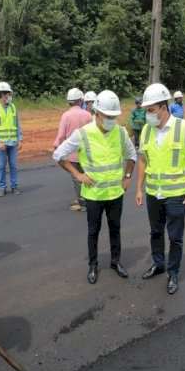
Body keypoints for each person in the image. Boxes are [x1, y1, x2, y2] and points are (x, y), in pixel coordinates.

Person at [53, 90, 136, 284]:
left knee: (115, 229)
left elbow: (131, 155)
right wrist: (78, 174)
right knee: (94, 231)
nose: (111, 120)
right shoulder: (83, 134)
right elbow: (58, 155)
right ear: (97, 113)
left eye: (114, 117)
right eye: (108, 116)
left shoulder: (121, 132)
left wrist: (128, 177)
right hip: (93, 195)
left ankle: (115, 261)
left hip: (116, 193)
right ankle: (93, 265)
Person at [136, 84, 185, 295]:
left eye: (151, 110)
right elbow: (143, 161)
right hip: (153, 194)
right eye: (147, 110)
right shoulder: (146, 130)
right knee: (155, 233)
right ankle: (159, 264)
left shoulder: (183, 128)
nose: (147, 114)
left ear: (164, 108)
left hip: (176, 195)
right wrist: (138, 188)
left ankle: (173, 272)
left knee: (175, 236)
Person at [54, 87, 94, 212]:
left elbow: (61, 135)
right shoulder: (87, 115)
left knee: (77, 178)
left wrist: (57, 146)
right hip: (87, 153)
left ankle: (83, 203)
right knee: (87, 175)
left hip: (72, 154)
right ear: (79, 100)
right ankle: (88, 198)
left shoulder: (66, 116)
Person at [0, 81, 22, 196]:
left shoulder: (13, 107)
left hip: (12, 142)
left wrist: (20, 139)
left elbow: (17, 123)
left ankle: (14, 186)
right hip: (1, 144)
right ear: (3, 94)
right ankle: (2, 187)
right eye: (8, 93)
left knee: (13, 165)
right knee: (1, 166)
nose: (10, 96)